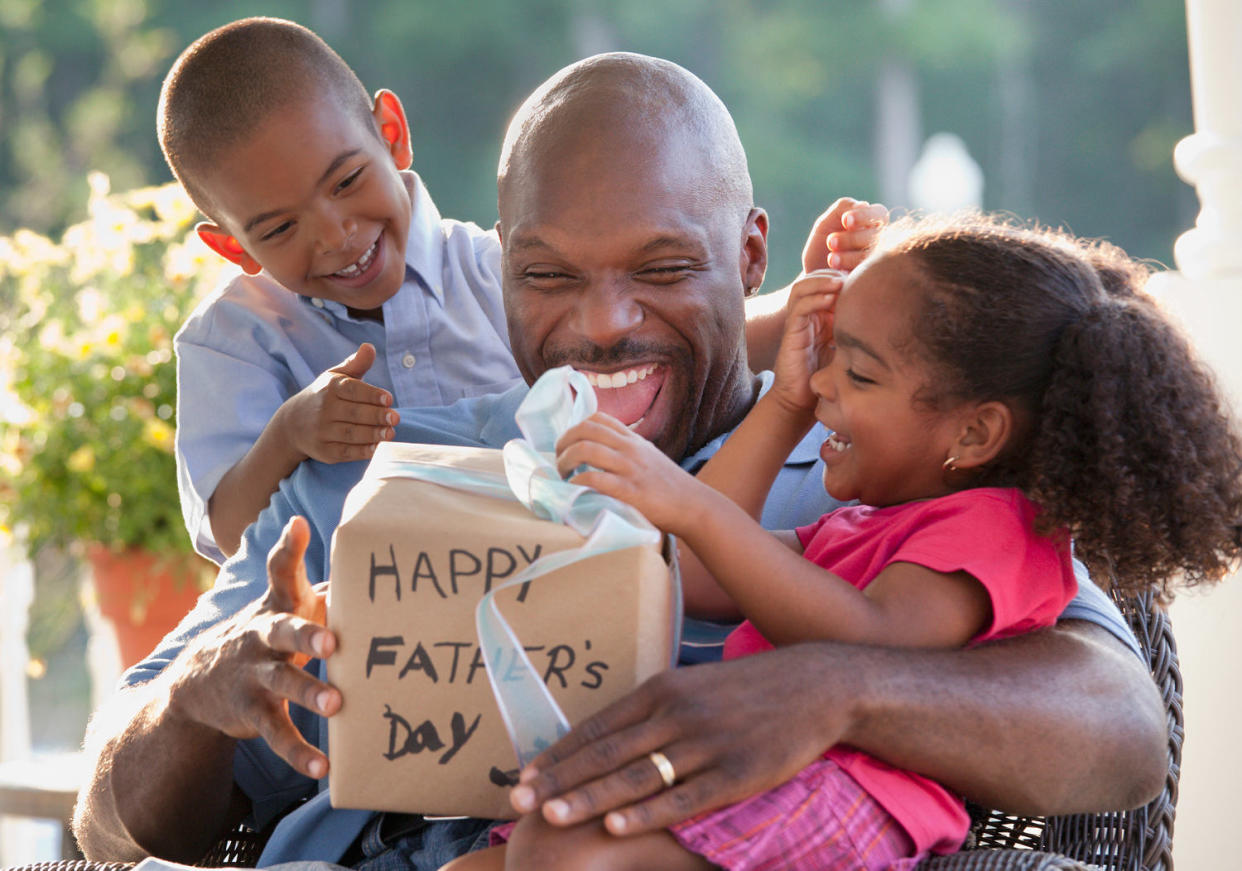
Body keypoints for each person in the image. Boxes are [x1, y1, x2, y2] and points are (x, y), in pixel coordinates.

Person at [73, 54, 1167, 871]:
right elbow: (109, 815)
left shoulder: (873, 480)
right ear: (500, 265)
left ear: (749, 255)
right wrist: (204, 698)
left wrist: (835, 687)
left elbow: (1119, 729)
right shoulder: (371, 473)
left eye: (662, 267)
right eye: (547, 276)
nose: (603, 325)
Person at [448, 215, 1242, 870]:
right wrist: (786, 406)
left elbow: (870, 642)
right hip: (779, 779)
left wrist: (688, 500)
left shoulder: (995, 531)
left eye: (856, 375)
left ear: (973, 432)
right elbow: (698, 570)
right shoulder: (865, 524)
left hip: (852, 796)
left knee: (565, 851)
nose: (825, 382)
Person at [160, 18, 884, 563]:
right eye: (280, 227)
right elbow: (232, 540)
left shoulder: (485, 268)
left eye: (347, 182)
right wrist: (290, 436)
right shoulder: (240, 341)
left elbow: (693, 339)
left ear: (392, 133)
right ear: (232, 246)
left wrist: (820, 299)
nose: (336, 235)